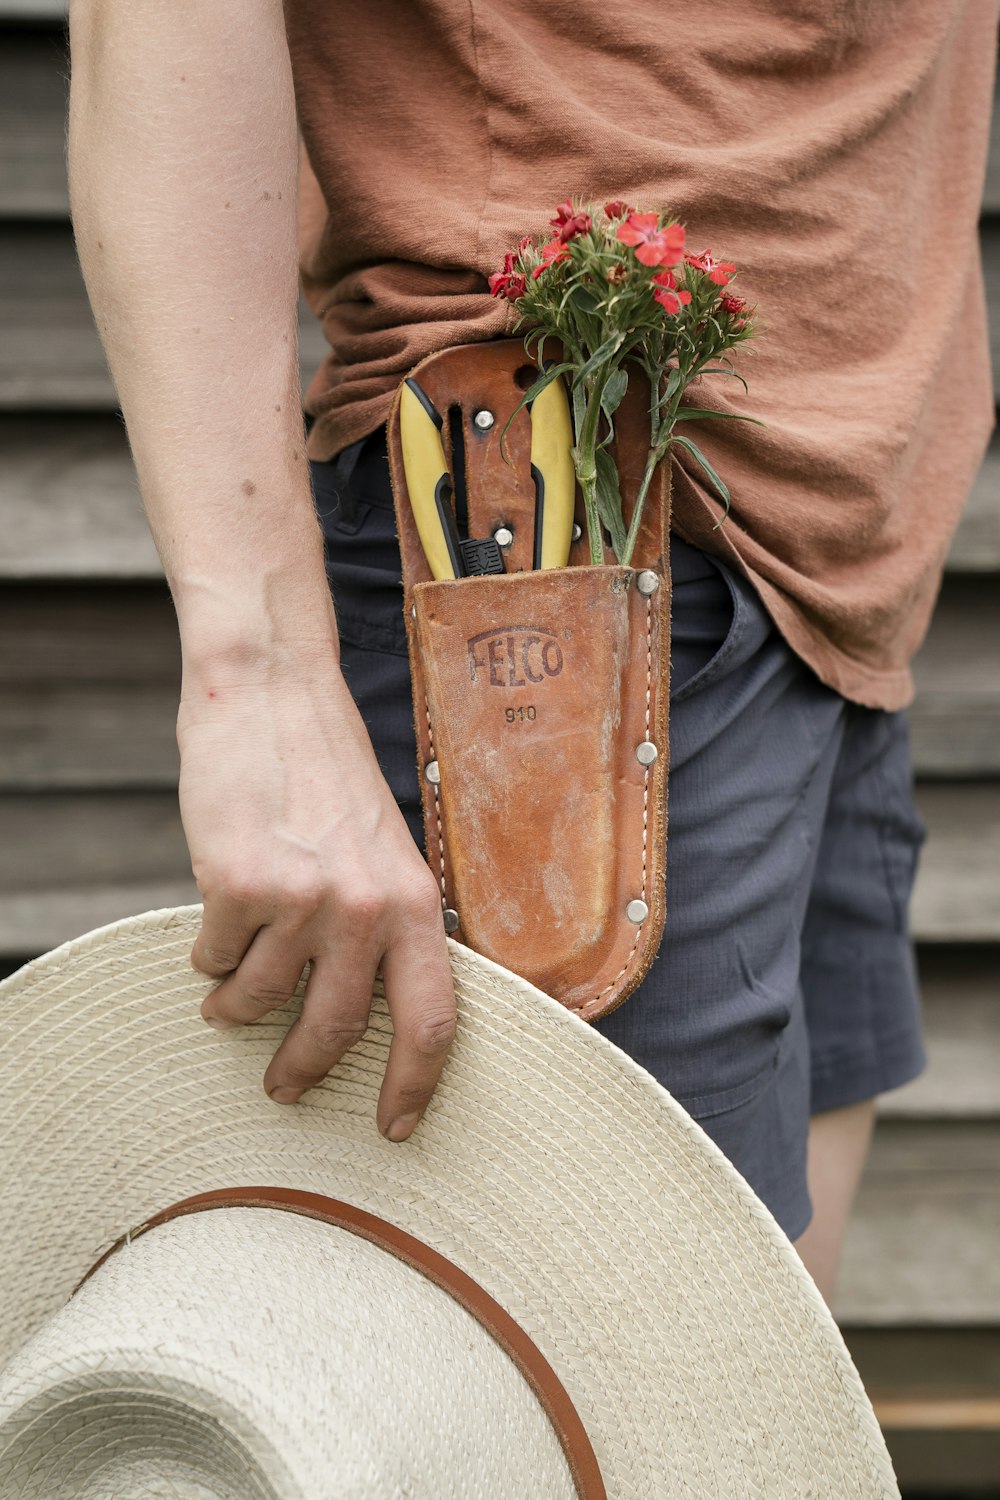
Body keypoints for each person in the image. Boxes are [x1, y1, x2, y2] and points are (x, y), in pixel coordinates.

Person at [67, 0, 998, 1306]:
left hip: (838, 577)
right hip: (550, 550)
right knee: (581, 1395)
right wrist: (257, 675)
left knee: (744, 1389)